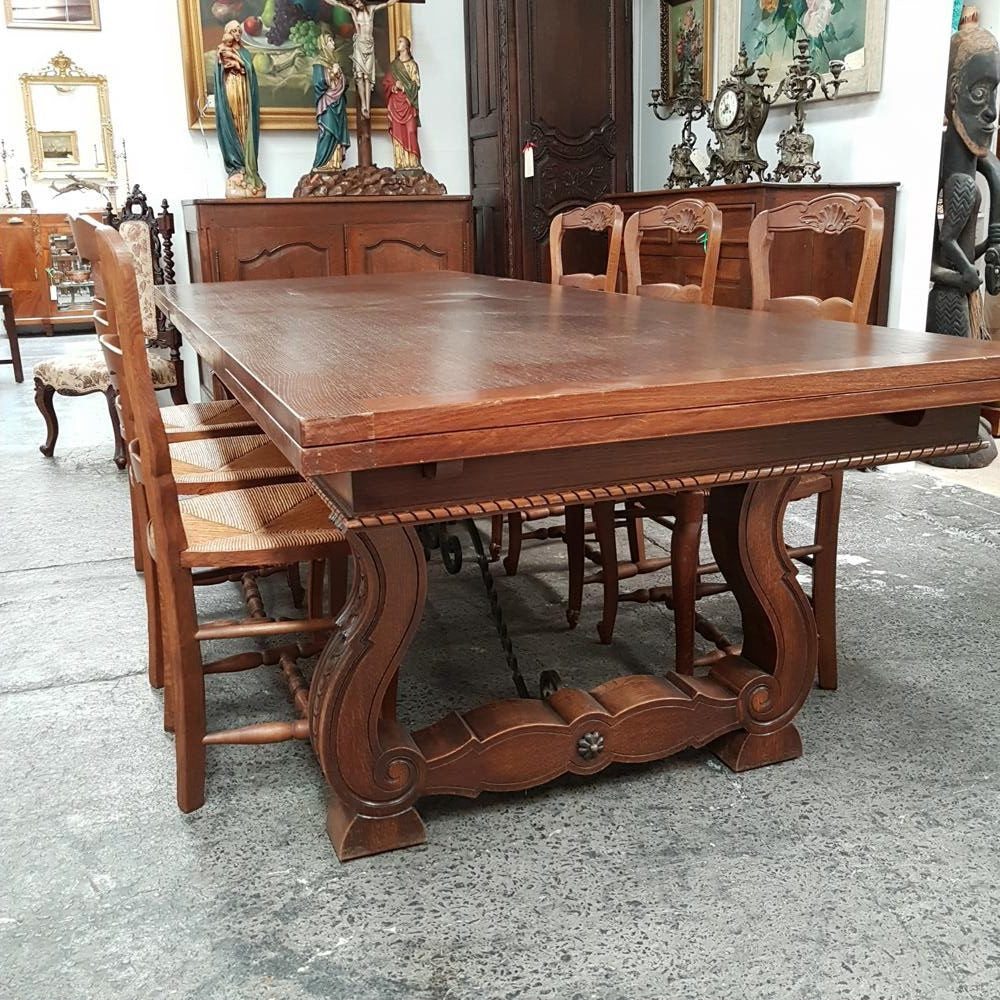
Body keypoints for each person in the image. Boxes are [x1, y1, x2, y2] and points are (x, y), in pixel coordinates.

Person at [324, 0, 401, 119]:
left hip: (369, 46)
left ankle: (367, 105)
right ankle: (363, 105)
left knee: (368, 77)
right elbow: (338, 4)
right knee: (360, 76)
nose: (356, 4)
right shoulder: (354, 12)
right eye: (354, 3)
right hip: (359, 45)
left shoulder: (371, 10)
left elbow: (385, 4)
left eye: (357, 2)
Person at [214, 20, 265, 197]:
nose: (236, 34)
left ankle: (247, 163)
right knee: (233, 121)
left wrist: (242, 65)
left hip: (244, 91)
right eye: (233, 31)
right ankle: (236, 167)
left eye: (238, 31)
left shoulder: (245, 52)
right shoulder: (222, 50)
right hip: (230, 89)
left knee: (245, 124)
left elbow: (249, 70)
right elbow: (219, 71)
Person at [312, 34, 350, 170]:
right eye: (329, 40)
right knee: (328, 132)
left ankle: (334, 164)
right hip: (327, 103)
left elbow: (345, 84)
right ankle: (321, 164)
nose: (333, 42)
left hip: (338, 102)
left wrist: (339, 75)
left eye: (333, 40)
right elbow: (318, 83)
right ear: (323, 44)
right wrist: (332, 75)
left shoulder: (335, 62)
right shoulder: (319, 63)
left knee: (338, 134)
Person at [383, 34, 421, 169]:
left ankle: (413, 162)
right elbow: (386, 83)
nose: (398, 44)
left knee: (411, 131)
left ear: (407, 46)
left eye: (401, 42)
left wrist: (403, 87)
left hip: (407, 102)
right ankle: (401, 163)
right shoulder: (394, 66)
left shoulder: (412, 65)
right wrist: (394, 87)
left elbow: (416, 85)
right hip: (395, 103)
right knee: (398, 132)